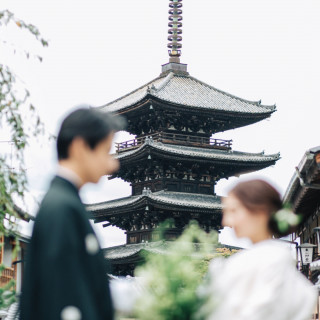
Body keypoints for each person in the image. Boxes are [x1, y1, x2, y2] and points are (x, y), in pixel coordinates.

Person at [20, 107, 124, 320]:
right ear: (80, 147)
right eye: (105, 151)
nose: (112, 164)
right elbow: (63, 299)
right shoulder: (62, 208)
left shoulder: (62, 202)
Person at [202, 179, 317, 320]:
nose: (226, 221)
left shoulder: (263, 263)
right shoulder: (280, 264)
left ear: (260, 211)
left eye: (233, 211)